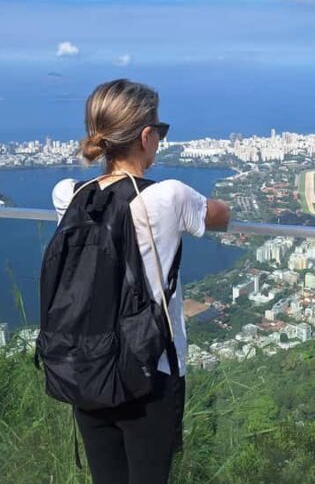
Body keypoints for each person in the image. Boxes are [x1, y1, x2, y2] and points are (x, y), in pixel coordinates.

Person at [51, 78, 230, 483]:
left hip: (86, 362)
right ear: (147, 137)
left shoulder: (69, 195)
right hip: (151, 371)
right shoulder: (169, 197)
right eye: (160, 131)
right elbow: (221, 215)